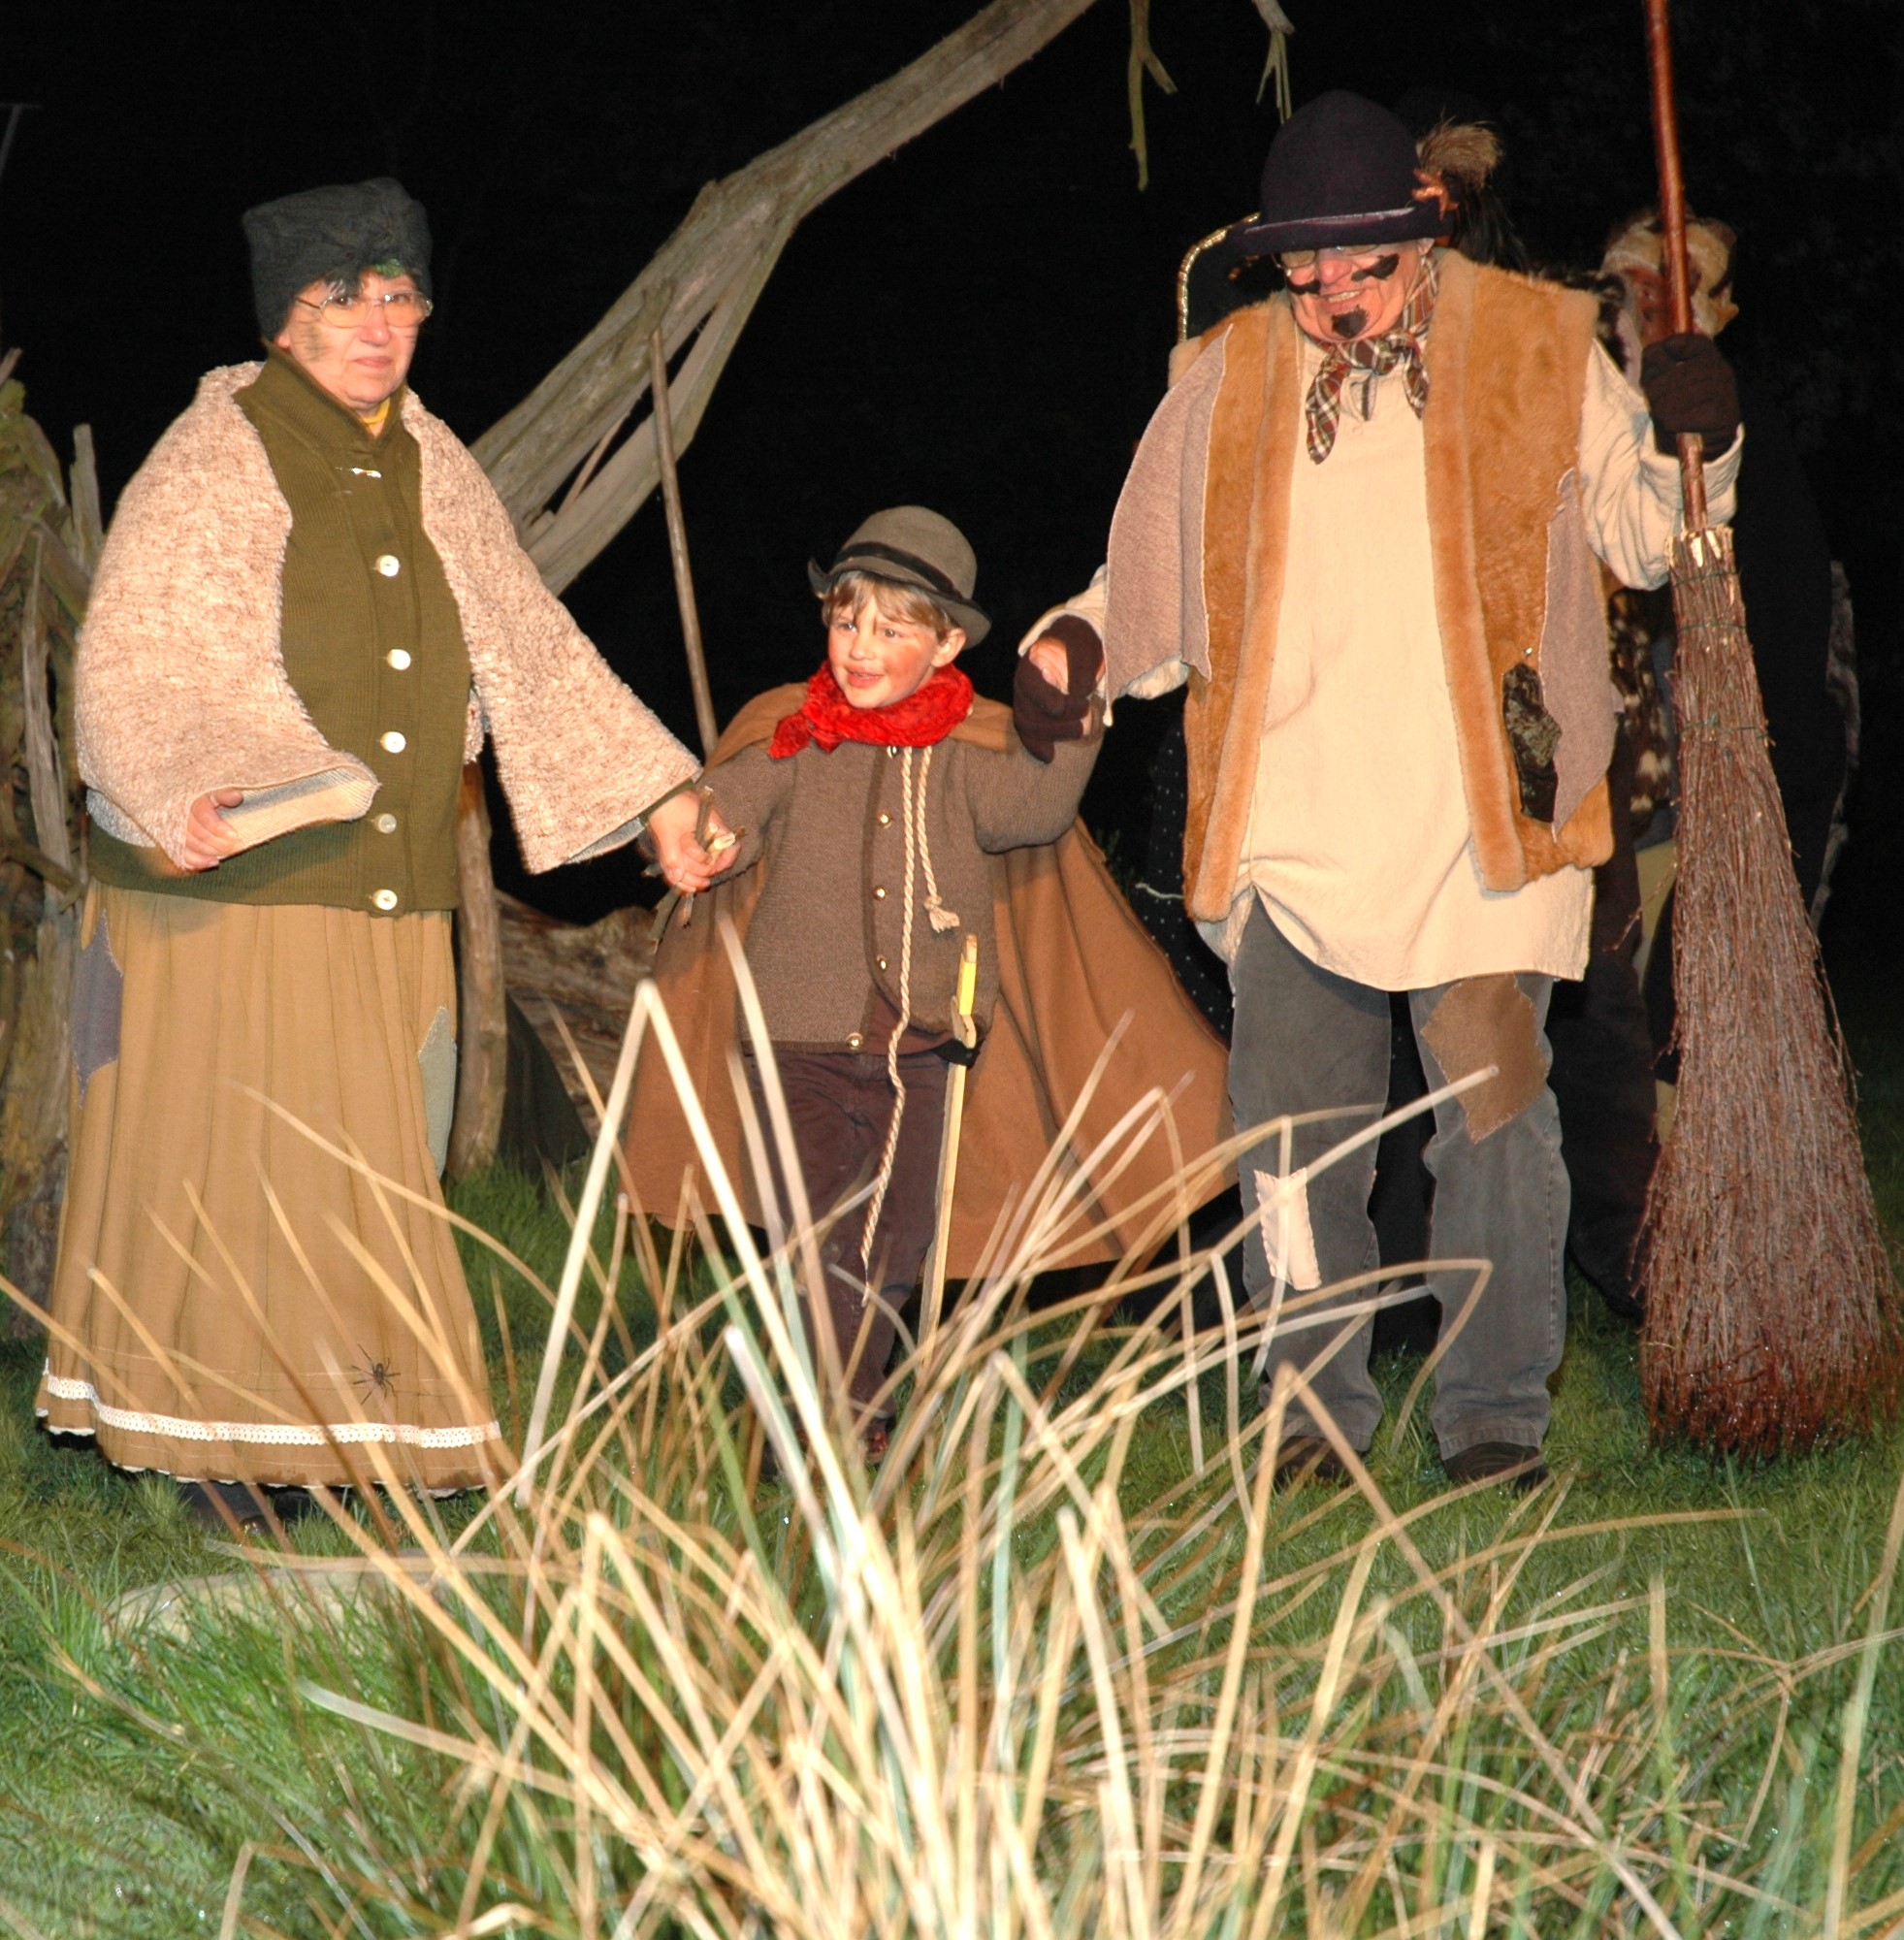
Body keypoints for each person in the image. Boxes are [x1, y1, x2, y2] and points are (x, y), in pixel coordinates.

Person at [1026, 92, 1742, 1490]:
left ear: (1422, 237)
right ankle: (1306, 1420)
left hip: (1479, 825)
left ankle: (1488, 1418)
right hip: (1290, 825)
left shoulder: (1536, 347)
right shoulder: (1224, 374)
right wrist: (1080, 647)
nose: (1335, 300)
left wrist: (1695, 444)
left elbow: (1649, 538)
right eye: (1306, 274)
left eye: (1363, 267)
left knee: (1493, 1129)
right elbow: (1147, 579)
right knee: (1288, 1149)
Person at [37, 178, 721, 1524]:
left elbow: (524, 636)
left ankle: (338, 1441)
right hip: (244, 894)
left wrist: (656, 792)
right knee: (246, 1169)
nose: (379, 321)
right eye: (342, 297)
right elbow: (141, 657)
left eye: (399, 294)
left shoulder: (428, 452)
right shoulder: (221, 447)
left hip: (391, 894)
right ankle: (231, 1465)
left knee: (361, 1174)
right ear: (284, 322)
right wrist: (237, 783)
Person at [622, 508, 1235, 1454]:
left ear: (947, 642)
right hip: (798, 1038)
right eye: (845, 620)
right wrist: (699, 826)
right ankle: (846, 1424)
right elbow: (731, 799)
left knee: (898, 1241)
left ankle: (833, 1398)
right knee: (818, 1231)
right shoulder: (793, 737)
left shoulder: (966, 759)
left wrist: (1071, 708)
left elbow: (1033, 811)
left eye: (891, 628)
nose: (859, 646)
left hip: (923, 1044)